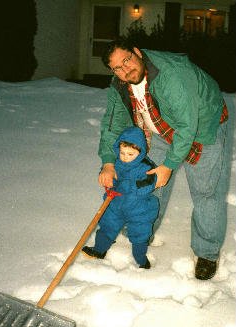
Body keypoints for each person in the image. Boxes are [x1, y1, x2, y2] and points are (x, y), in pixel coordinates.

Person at [97, 37, 229, 280]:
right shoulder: (119, 83)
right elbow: (113, 123)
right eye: (117, 68)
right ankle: (142, 231)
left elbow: (187, 127)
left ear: (137, 52)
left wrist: (168, 165)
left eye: (127, 60)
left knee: (206, 191)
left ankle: (207, 253)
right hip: (160, 127)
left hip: (202, 125)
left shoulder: (171, 74)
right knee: (149, 185)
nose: (125, 70)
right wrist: (107, 161)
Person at [82, 126, 159, 269]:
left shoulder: (146, 166)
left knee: (140, 234)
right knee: (107, 226)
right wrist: (108, 178)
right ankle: (99, 250)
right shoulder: (116, 162)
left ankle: (141, 259)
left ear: (140, 151)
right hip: (115, 204)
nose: (125, 157)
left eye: (130, 154)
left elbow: (149, 183)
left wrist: (124, 185)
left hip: (138, 208)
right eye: (122, 153)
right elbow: (107, 172)